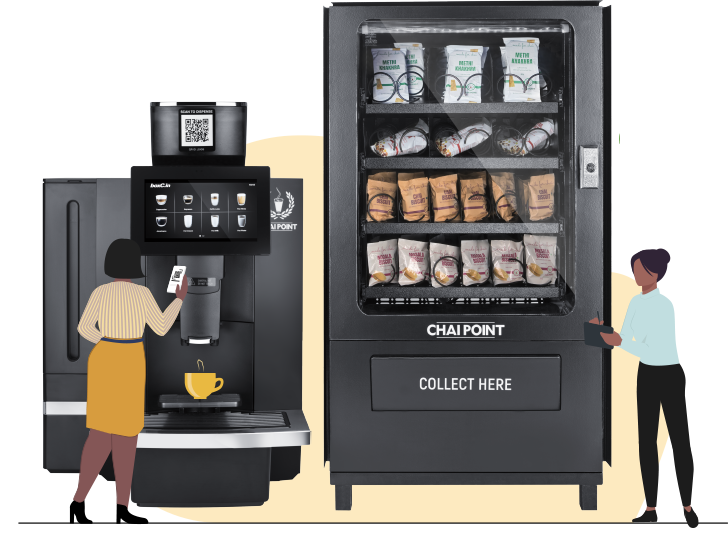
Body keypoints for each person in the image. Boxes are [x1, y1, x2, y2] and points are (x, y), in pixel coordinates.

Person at [73, 239, 188, 508]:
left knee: (99, 431)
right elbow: (160, 328)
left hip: (104, 357)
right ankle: (122, 500)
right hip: (131, 357)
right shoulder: (143, 294)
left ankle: (80, 494)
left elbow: (83, 327)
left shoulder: (100, 292)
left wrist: (105, 340)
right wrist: (179, 300)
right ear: (135, 264)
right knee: (127, 432)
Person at [594, 248, 697, 528]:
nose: (635, 273)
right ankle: (651, 507)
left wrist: (618, 342)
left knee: (679, 439)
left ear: (653, 273)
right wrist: (602, 332)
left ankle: (686, 505)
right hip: (647, 375)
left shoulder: (665, 305)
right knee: (646, 442)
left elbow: (650, 348)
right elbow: (624, 337)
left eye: (638, 269)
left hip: (669, 374)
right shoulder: (635, 302)